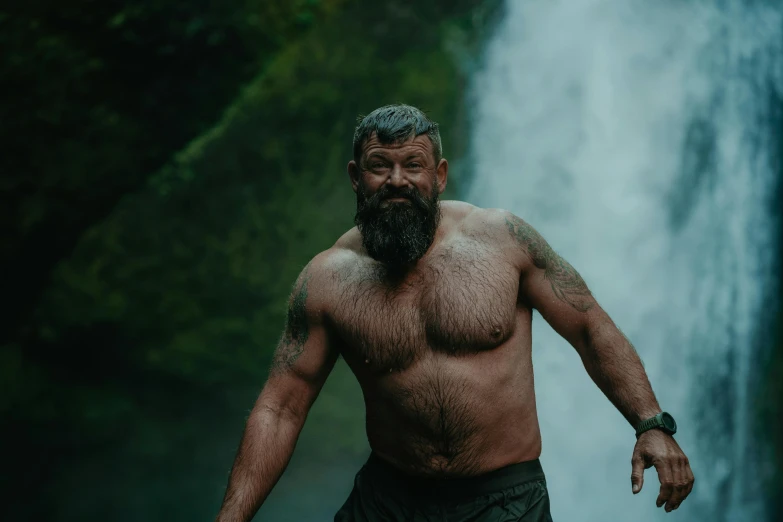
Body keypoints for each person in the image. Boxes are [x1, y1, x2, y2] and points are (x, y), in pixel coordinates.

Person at [214, 104, 695, 521]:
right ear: (356, 176)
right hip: (390, 501)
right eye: (379, 166)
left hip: (506, 501)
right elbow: (281, 407)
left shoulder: (504, 241)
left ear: (439, 175)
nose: (397, 181)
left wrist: (650, 424)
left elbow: (589, 326)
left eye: (413, 165)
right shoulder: (326, 280)